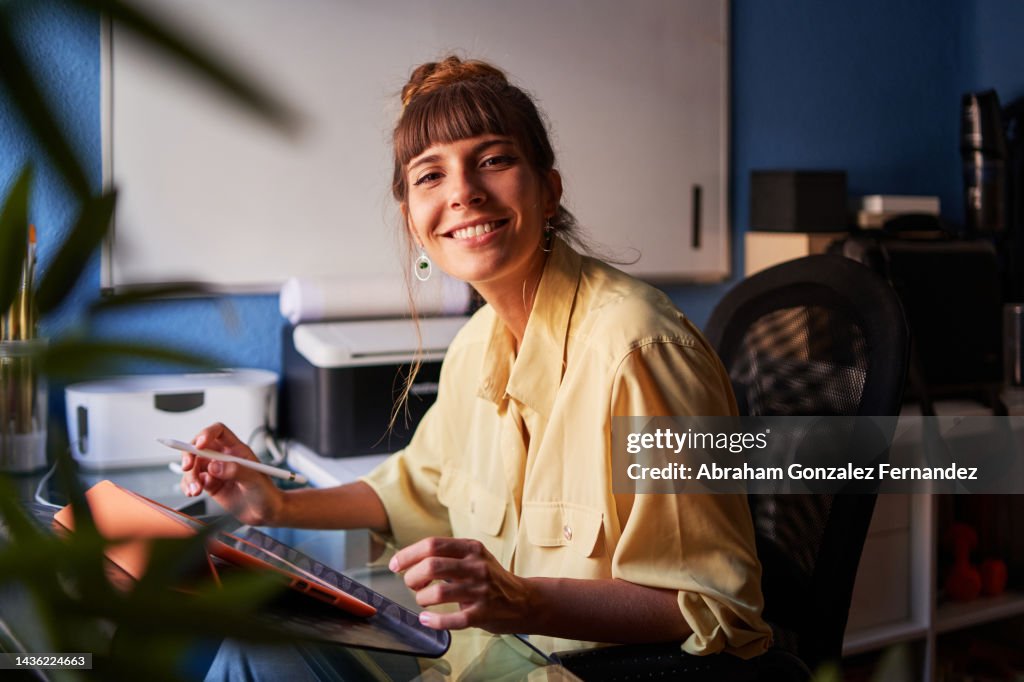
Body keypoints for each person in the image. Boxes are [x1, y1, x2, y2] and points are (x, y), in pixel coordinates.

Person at [181, 56, 772, 662]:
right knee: (256, 650)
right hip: (472, 665)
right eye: (430, 176)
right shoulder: (473, 345)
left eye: (493, 160)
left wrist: (524, 601)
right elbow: (419, 490)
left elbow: (714, 609)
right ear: (413, 220)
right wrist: (274, 504)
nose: (463, 192)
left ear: (550, 190)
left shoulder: (639, 349)